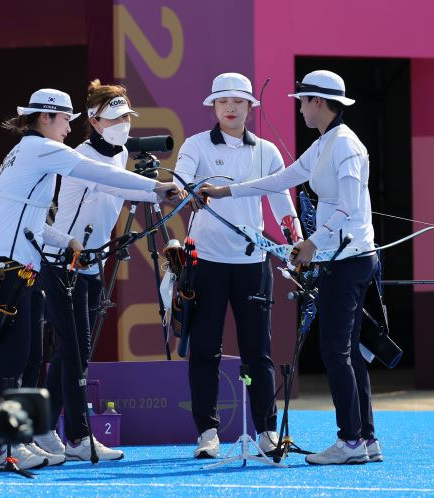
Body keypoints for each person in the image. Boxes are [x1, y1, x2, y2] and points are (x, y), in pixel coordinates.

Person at [0, 88, 179, 469]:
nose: (68, 127)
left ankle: (32, 434)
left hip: (38, 260)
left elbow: (37, 218)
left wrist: (64, 237)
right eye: (64, 119)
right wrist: (156, 188)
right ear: (45, 118)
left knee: (37, 353)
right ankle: (21, 441)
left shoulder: (32, 150)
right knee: (24, 355)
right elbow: (101, 177)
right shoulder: (45, 149)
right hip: (34, 263)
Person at [200, 70, 382, 465]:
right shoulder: (324, 145)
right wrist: (225, 190)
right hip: (339, 258)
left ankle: (351, 440)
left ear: (318, 102)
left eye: (301, 101)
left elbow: (350, 208)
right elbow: (280, 180)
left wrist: (311, 243)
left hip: (348, 260)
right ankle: (365, 439)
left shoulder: (345, 146)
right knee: (347, 350)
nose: (299, 107)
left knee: (337, 352)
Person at [173, 72, 302, 459]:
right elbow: (181, 181)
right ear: (213, 106)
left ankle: (266, 431)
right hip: (205, 263)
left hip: (252, 263)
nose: (230, 108)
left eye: (239, 101)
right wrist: (187, 191)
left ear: (250, 107)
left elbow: (282, 204)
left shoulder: (267, 152)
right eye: (223, 101)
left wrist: (296, 243)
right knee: (205, 351)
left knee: (257, 352)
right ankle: (207, 434)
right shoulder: (196, 145)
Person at [34, 80, 161, 462]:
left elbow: (126, 188)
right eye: (116, 117)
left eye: (127, 116)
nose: (124, 123)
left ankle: (43, 428)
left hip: (92, 264)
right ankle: (76, 436)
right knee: (76, 352)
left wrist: (172, 191)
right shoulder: (80, 157)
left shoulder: (119, 153)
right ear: (94, 121)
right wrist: (162, 188)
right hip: (63, 263)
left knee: (72, 353)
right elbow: (120, 184)